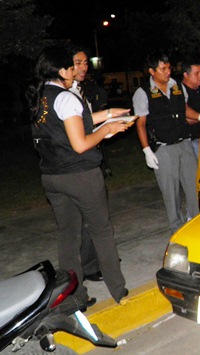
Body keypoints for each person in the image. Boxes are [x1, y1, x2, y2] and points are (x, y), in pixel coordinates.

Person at [27, 45, 130, 306]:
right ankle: (118, 290)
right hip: (80, 176)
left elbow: (73, 122)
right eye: (72, 67)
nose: (75, 71)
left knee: (68, 238)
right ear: (62, 70)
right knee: (101, 231)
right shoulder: (66, 97)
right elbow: (81, 143)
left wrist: (107, 114)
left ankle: (73, 298)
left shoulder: (40, 98)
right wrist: (107, 129)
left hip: (52, 177)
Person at [133, 52, 199, 234]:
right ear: (152, 71)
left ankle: (197, 223)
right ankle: (176, 229)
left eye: (169, 67)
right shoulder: (143, 92)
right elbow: (141, 123)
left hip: (184, 143)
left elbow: (185, 110)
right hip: (163, 148)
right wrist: (147, 150)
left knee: (194, 187)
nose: (168, 72)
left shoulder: (177, 86)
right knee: (171, 192)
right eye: (163, 69)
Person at [68, 47, 109, 284]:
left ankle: (100, 260)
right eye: (78, 63)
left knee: (97, 217)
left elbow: (87, 123)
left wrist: (108, 124)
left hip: (91, 156)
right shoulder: (65, 94)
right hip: (77, 165)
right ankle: (88, 267)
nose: (83, 67)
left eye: (85, 63)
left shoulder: (80, 90)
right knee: (82, 222)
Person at [180, 56, 200, 167]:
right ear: (186, 75)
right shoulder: (180, 92)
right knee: (196, 177)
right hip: (193, 141)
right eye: (196, 73)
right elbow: (184, 118)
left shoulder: (197, 90)